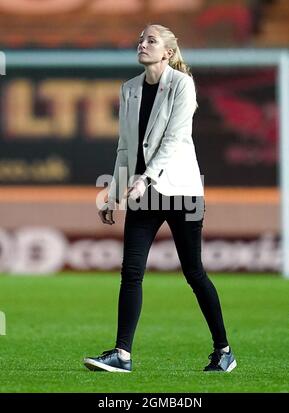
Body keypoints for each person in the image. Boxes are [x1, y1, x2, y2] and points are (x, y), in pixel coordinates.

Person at [83, 24, 237, 373]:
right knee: (131, 272)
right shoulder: (129, 90)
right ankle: (122, 355)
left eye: (151, 40)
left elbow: (174, 140)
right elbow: (125, 147)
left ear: (167, 52)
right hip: (142, 191)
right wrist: (113, 193)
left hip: (181, 191)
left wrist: (146, 179)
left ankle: (223, 350)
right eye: (140, 38)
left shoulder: (182, 84)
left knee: (194, 272)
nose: (142, 43)